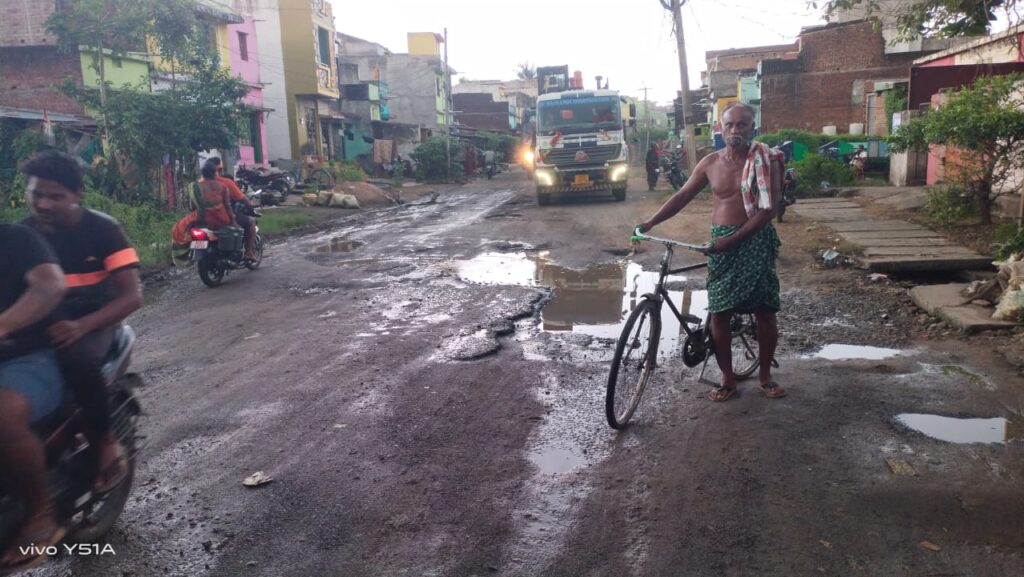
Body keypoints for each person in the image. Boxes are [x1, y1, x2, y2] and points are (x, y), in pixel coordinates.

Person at [637, 102, 785, 402]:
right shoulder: (710, 163)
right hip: (720, 241)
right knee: (719, 312)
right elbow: (682, 196)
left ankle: (765, 376)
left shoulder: (766, 160)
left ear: (752, 128)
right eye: (729, 124)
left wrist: (732, 241)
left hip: (755, 241)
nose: (735, 130)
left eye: (742, 124)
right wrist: (651, 222)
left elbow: (769, 210)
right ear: (720, 128)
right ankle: (727, 379)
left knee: (765, 310)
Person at [20, 150, 144, 494]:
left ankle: (104, 444)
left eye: (55, 196)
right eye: (36, 194)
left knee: (76, 358)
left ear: (77, 195)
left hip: (96, 319)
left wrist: (82, 326)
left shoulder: (103, 230)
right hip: (45, 321)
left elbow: (132, 296)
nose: (43, 204)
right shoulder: (21, 235)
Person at [0, 224, 68, 571]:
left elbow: (50, 285)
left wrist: (3, 324)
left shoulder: (16, 239)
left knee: (4, 414)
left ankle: (40, 514)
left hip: (29, 355)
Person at [207, 157, 258, 261]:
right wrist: (251, 206)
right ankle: (248, 252)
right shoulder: (226, 183)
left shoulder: (198, 184)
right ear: (219, 170)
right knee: (251, 222)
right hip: (224, 219)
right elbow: (243, 199)